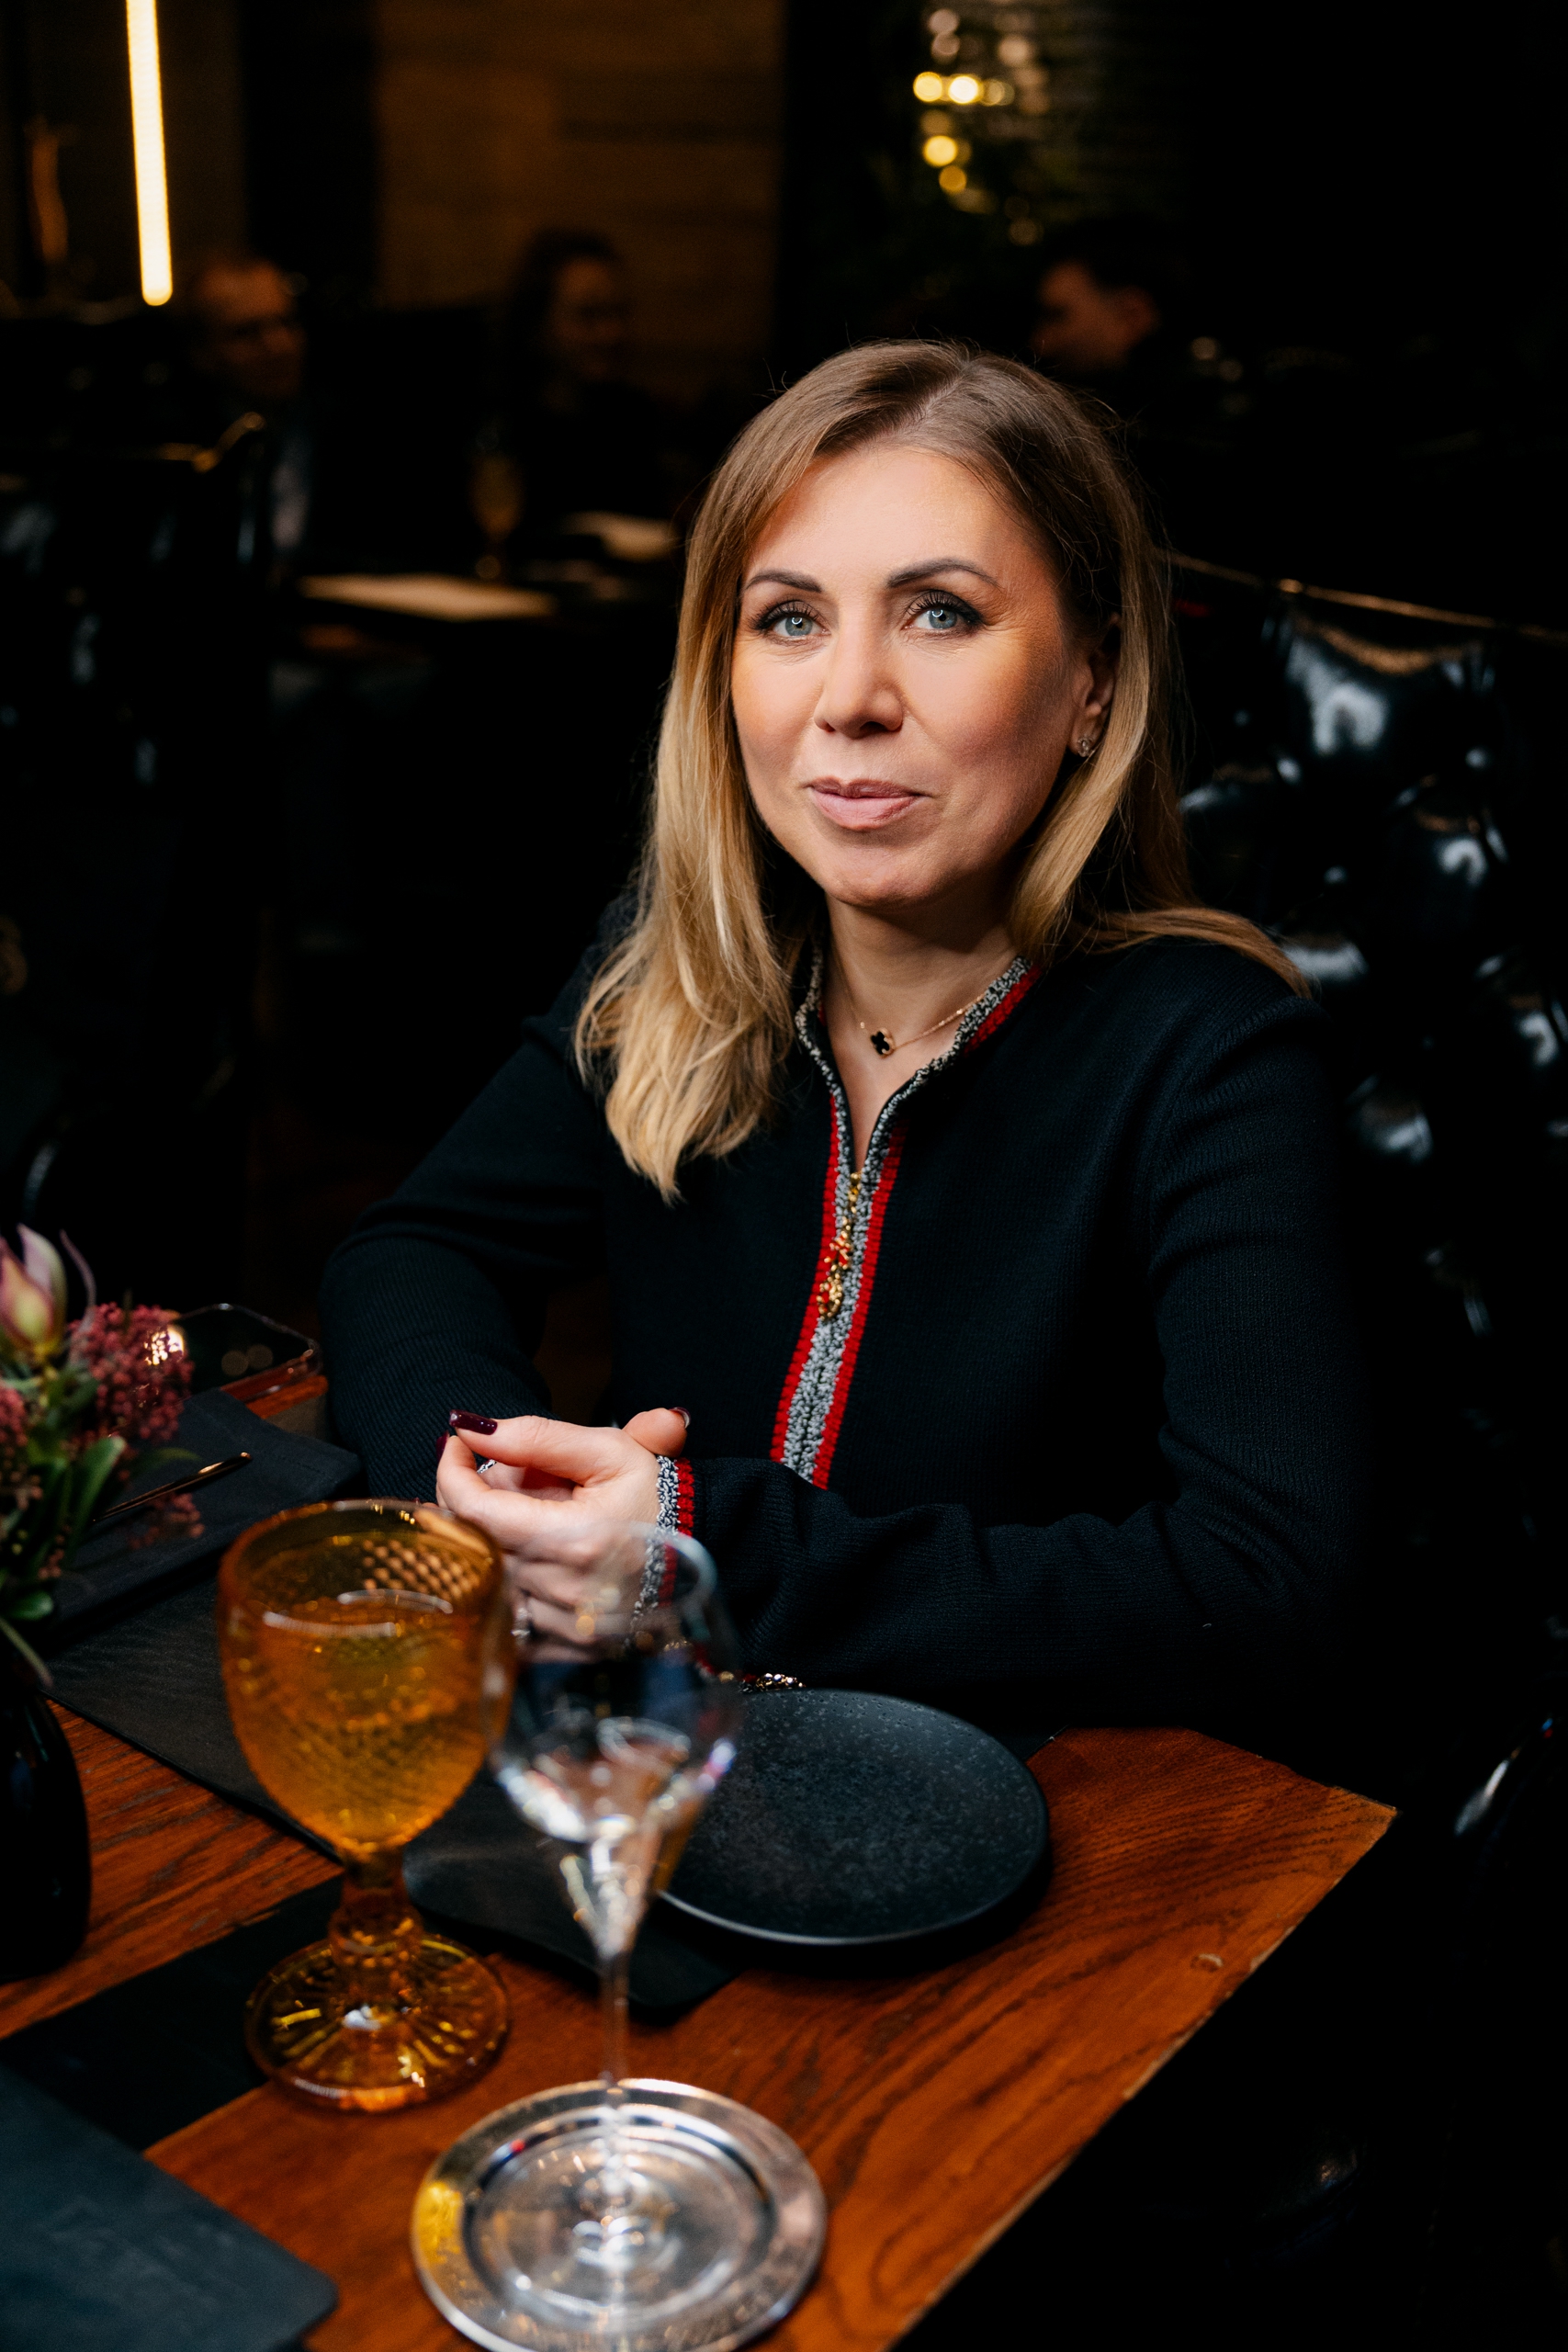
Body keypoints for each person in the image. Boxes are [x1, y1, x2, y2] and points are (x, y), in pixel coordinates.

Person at [321, 342, 1368, 1750]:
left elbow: (1269, 1586)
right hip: (654, 1765)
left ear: (1092, 681)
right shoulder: (675, 967)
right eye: (788, 619)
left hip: (1016, 1809)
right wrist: (489, 1487)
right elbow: (415, 1250)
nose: (849, 697)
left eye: (940, 613)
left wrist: (699, 1550)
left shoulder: (1208, 1053)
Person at [491, 229, 671, 537]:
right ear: (537, 325)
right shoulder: (503, 427)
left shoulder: (632, 417)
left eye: (618, 313)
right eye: (588, 315)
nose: (610, 333)